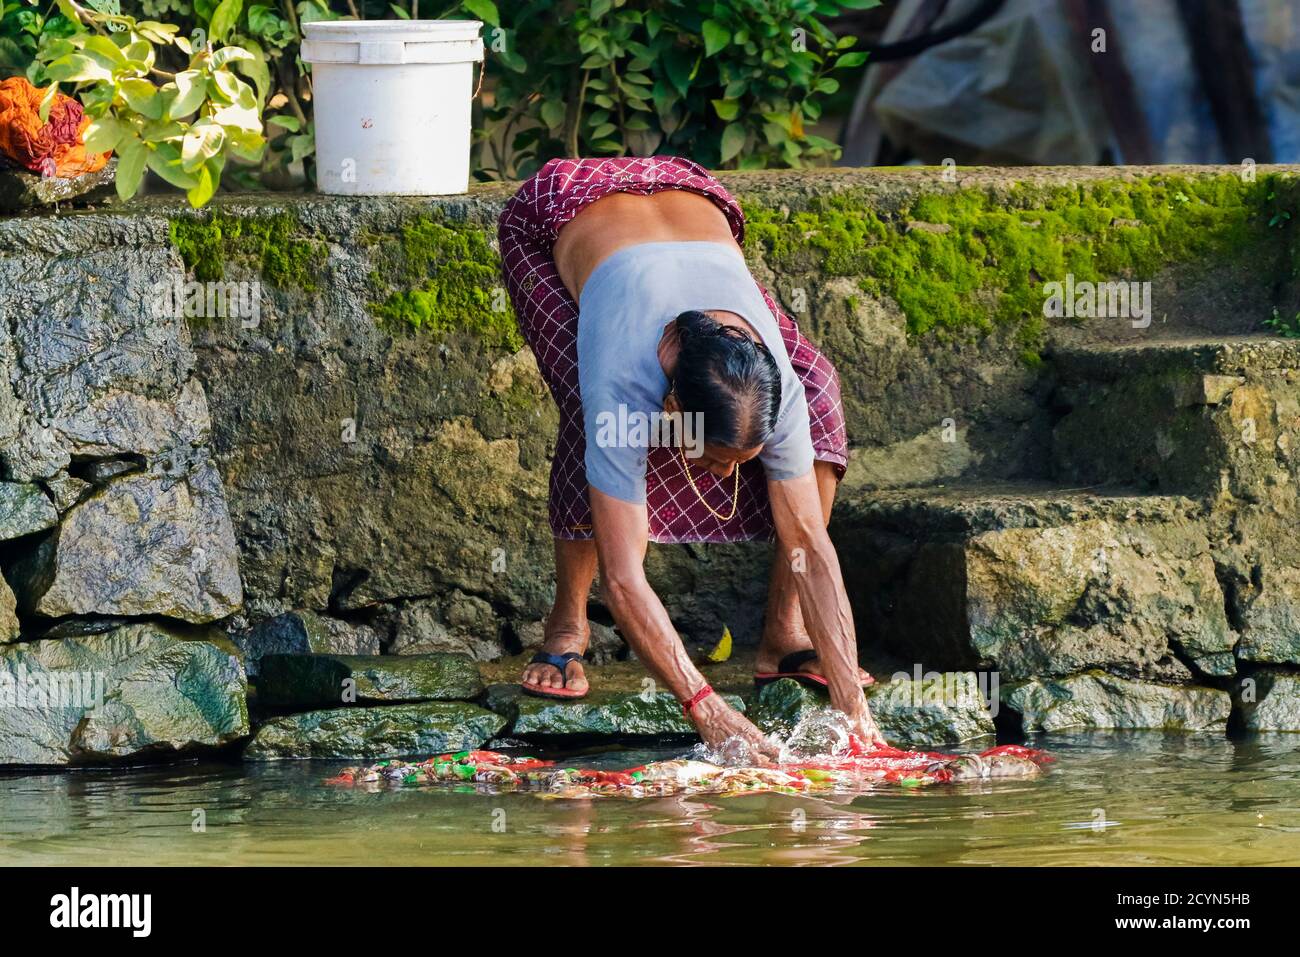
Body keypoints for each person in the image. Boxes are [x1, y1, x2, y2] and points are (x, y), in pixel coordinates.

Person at [498, 156, 884, 759]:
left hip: (687, 187)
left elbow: (810, 546)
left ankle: (784, 638)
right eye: (718, 457)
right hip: (559, 207)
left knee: (823, 389)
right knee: (587, 419)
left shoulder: (774, 385)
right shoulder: (623, 393)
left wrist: (852, 706)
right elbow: (625, 580)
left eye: (742, 459)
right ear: (672, 405)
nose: (730, 476)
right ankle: (567, 627)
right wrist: (706, 707)